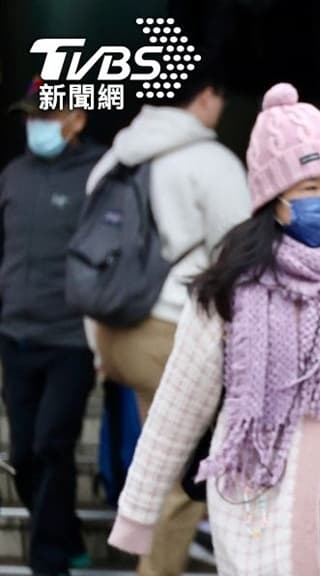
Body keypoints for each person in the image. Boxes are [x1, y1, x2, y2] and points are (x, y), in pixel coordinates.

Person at [107, 83, 320, 575]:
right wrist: (137, 514)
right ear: (274, 199)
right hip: (260, 524)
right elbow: (176, 413)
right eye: (310, 188)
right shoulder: (228, 293)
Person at [85, 65, 250, 576]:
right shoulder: (211, 161)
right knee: (188, 468)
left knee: (162, 452)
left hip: (115, 333)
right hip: (173, 334)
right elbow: (242, 257)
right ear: (205, 96)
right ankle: (157, 570)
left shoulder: (113, 157)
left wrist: (97, 346)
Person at [0, 76, 104, 576]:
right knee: (22, 452)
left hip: (70, 337)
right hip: (15, 334)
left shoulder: (99, 174)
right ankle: (62, 532)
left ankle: (49, 562)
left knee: (51, 444)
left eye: (47, 116)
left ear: (77, 119)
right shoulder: (13, 175)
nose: (35, 126)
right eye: (31, 116)